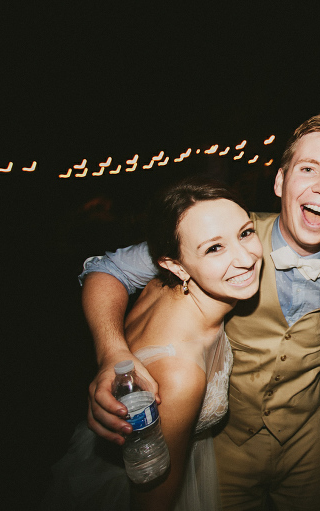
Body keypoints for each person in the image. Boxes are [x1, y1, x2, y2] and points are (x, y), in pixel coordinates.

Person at [78, 111, 320, 510]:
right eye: (308, 169)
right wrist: (112, 353)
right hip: (226, 450)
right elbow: (107, 270)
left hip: (308, 447)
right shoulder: (226, 232)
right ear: (280, 181)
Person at [44, 177, 262, 510]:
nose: (246, 258)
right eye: (214, 248)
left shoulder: (158, 286)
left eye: (245, 233)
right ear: (175, 265)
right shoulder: (180, 376)